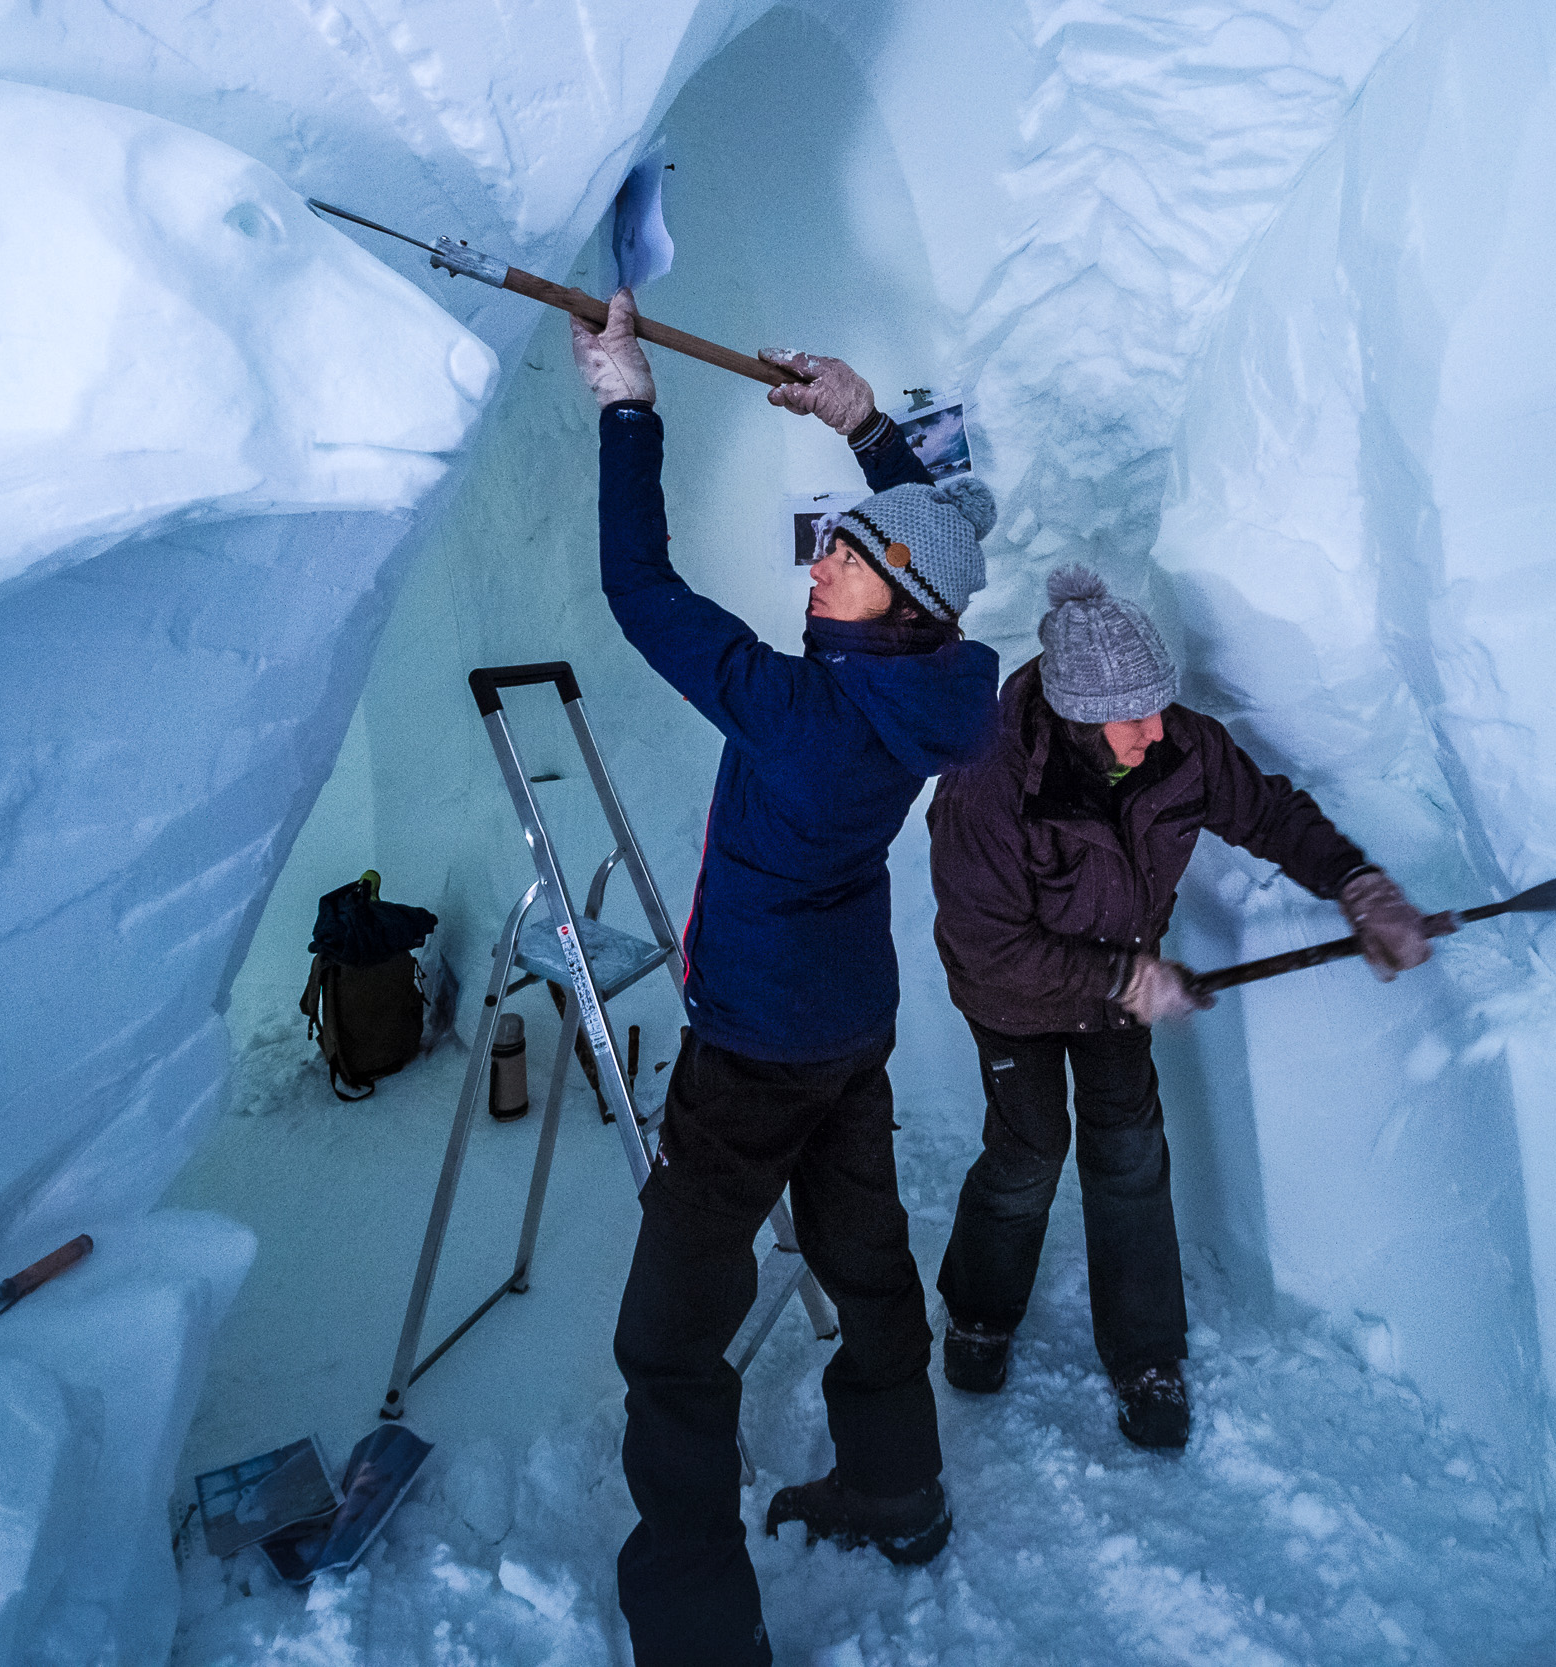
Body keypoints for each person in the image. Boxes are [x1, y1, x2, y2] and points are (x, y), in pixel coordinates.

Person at [573, 294, 1000, 1667]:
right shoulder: (921, 690)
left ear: (903, 607)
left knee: (670, 1342)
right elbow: (950, 531)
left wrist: (627, 406)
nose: (821, 565)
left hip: (754, 1041)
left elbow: (642, 593)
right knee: (863, 1261)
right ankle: (896, 1484)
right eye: (831, 546)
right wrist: (865, 423)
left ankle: (698, 1634)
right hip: (845, 1026)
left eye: (850, 562)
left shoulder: (798, 711)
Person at [927, 564, 1448, 1450]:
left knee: (1128, 1152)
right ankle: (978, 1311)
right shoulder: (988, 780)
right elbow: (988, 943)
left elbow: (1270, 815)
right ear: (1073, 713)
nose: (1152, 728)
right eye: (1130, 717)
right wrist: (1121, 979)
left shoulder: (1178, 746)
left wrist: (1356, 883)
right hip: (1012, 993)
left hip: (1118, 988)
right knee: (1027, 1151)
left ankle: (1144, 1356)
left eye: (1157, 705)